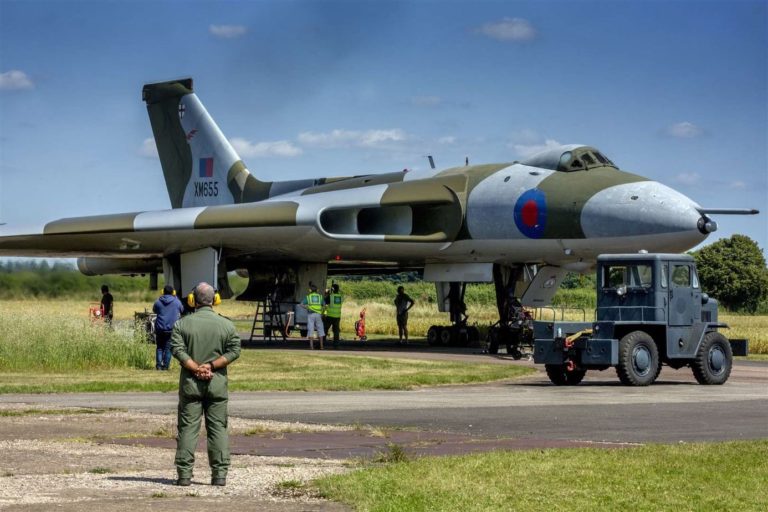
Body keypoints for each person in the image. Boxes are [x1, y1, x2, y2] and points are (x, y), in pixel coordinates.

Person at [170, 282, 241, 487]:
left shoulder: (182, 324)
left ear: (192, 300)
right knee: (218, 429)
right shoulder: (227, 325)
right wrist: (211, 365)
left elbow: (177, 349)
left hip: (191, 385)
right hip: (217, 384)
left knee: (187, 429)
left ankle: (184, 475)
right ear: (215, 300)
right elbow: (234, 350)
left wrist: (195, 367)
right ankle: (219, 475)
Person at [153, 285, 184, 371]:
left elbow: (154, 310)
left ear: (163, 292)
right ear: (173, 292)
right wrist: (176, 298)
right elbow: (182, 310)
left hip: (159, 327)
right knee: (168, 348)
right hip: (171, 328)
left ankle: (159, 366)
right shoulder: (177, 302)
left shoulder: (158, 301)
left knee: (159, 347)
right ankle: (165, 366)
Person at [301, 283, 325, 350]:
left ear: (310, 290)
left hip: (311, 315)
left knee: (310, 329)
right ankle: (322, 346)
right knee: (320, 330)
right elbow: (324, 305)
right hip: (318, 315)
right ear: (317, 290)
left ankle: (311, 347)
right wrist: (322, 313)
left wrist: (307, 307)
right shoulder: (320, 297)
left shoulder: (308, 297)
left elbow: (301, 304)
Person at [323, 283, 343, 348]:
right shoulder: (340, 297)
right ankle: (336, 345)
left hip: (329, 316)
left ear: (332, 289)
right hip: (337, 316)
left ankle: (322, 343)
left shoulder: (330, 296)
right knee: (336, 331)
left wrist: (327, 294)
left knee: (325, 330)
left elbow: (324, 301)